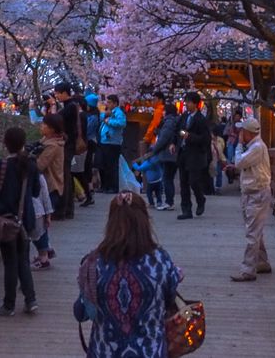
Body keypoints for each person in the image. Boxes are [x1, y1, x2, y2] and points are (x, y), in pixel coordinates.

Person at [74, 192, 182, 358]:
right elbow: (169, 302)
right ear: (145, 222)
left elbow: (81, 313)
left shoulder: (93, 263)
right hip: (150, 352)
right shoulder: (160, 260)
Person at [0, 126, 40, 315]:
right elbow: (36, 192)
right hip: (25, 219)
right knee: (23, 259)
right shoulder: (31, 164)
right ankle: (30, 300)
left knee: (10, 262)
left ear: (6, 143)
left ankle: (9, 305)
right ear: (23, 143)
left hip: (6, 220)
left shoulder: (2, 165)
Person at [225, 117, 272, 281]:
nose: (240, 134)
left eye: (242, 131)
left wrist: (237, 145)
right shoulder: (254, 147)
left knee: (252, 231)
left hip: (257, 193)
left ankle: (248, 270)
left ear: (248, 133)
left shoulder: (257, 147)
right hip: (253, 191)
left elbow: (239, 162)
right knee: (255, 229)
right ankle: (262, 261)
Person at [32, 113, 65, 267]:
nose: (41, 127)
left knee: (40, 220)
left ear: (51, 129)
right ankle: (46, 250)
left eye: (44, 125)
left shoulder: (52, 146)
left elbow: (39, 165)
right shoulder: (48, 142)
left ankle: (44, 255)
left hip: (50, 187)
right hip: (50, 187)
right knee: (42, 220)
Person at [176, 91, 211, 219]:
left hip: (195, 155)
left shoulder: (201, 120)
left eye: (189, 102)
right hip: (183, 153)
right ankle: (186, 210)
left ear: (196, 104)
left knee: (193, 181)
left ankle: (200, 199)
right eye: (186, 102)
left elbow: (206, 139)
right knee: (183, 182)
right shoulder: (184, 116)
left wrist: (189, 136)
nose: (186, 104)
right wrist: (174, 143)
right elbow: (177, 130)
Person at [54, 82, 86, 219]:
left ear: (64, 93)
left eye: (57, 93)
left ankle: (63, 209)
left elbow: (55, 119)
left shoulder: (70, 107)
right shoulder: (72, 106)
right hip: (69, 144)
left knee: (64, 176)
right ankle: (67, 209)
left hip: (68, 145)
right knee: (66, 176)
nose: (56, 96)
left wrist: (52, 107)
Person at [145, 102, 179, 210]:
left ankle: (169, 202)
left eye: (164, 111)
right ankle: (169, 201)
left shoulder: (169, 122)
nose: (162, 113)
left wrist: (154, 149)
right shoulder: (175, 121)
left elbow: (163, 138)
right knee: (168, 177)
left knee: (167, 178)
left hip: (168, 154)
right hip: (173, 154)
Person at [97, 94, 126, 194]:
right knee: (104, 164)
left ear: (115, 103)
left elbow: (121, 123)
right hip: (104, 141)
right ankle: (105, 186)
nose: (107, 104)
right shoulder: (107, 112)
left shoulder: (118, 112)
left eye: (109, 102)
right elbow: (101, 118)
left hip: (113, 142)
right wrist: (105, 116)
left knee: (112, 165)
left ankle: (113, 187)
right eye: (107, 102)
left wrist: (108, 120)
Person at [79, 92, 101, 206]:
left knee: (84, 168)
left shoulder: (92, 117)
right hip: (90, 142)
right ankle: (88, 190)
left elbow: (86, 130)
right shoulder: (94, 115)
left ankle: (87, 192)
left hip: (88, 143)